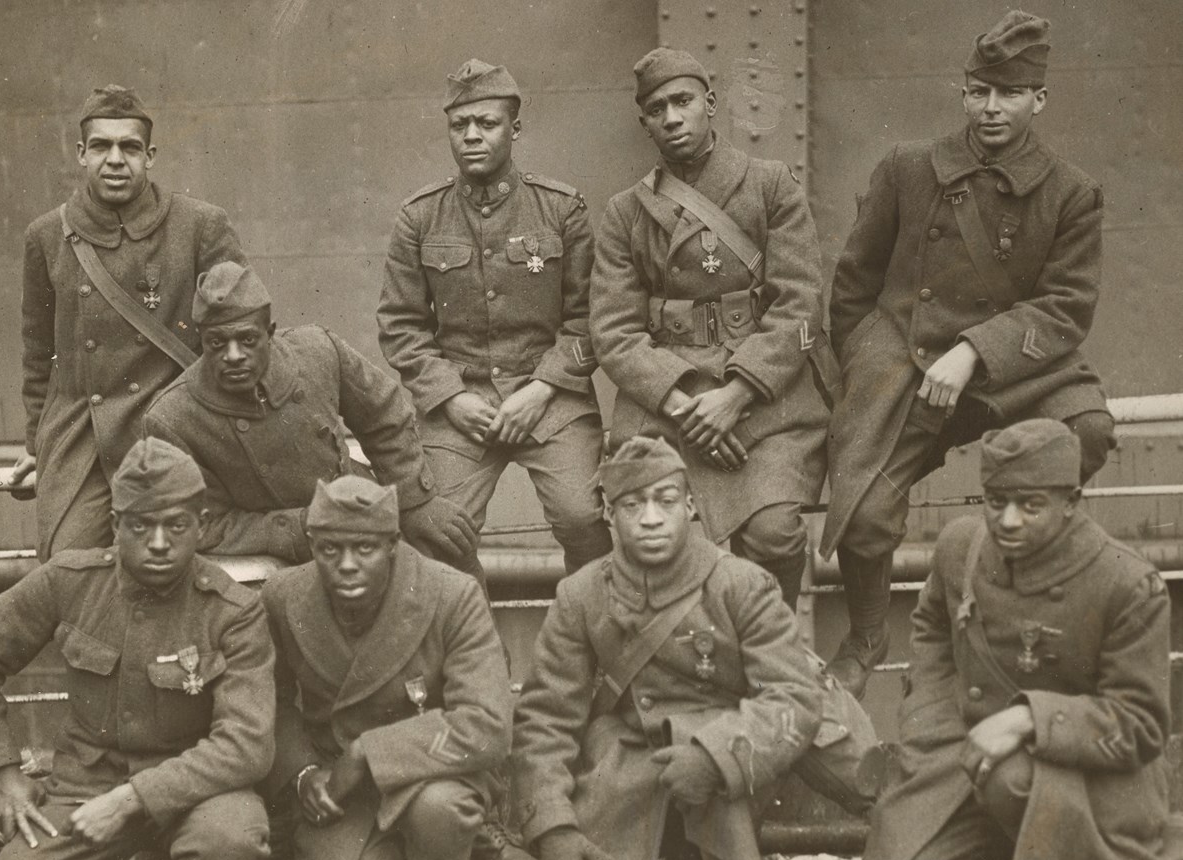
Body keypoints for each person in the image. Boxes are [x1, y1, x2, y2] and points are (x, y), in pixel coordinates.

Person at [821, 10, 1114, 697]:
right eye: (979, 92)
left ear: (1038, 99)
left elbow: (1066, 307)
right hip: (907, 361)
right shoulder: (907, 168)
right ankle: (866, 633)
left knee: (1088, 431)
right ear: (963, 93)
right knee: (863, 515)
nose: (990, 109)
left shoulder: (1070, 193)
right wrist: (869, 367)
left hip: (1015, 367)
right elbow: (853, 284)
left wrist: (973, 352)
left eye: (1008, 94)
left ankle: (1011, 588)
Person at [0, 437, 276, 860]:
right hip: (84, 785)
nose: (160, 544)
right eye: (141, 527)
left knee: (233, 838)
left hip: (192, 792)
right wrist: (2, 771)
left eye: (176, 525)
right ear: (116, 525)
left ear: (202, 524)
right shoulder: (71, 581)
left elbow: (246, 746)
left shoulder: (232, 610)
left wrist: (131, 800)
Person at [511, 436, 864, 860]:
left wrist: (716, 756)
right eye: (633, 505)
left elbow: (792, 695)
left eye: (666, 501)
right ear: (609, 513)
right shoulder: (581, 595)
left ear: (691, 506)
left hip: (741, 734)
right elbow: (545, 717)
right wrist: (552, 828)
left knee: (712, 745)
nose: (651, 519)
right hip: (637, 744)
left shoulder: (740, 583)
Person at [858, 419, 1183, 860]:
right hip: (970, 750)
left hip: (1090, 778)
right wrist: (928, 718)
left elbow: (1142, 726)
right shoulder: (962, 545)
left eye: (1030, 506)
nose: (1008, 520)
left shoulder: (1127, 585)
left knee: (1011, 776)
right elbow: (933, 624)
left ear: (1071, 502)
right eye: (996, 501)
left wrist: (1029, 721)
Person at [589, 48, 833, 611]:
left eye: (683, 101)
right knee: (655, 540)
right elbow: (613, 331)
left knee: (773, 534)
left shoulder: (770, 186)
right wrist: (688, 404)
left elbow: (799, 304)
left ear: (709, 104)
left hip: (766, 397)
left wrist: (737, 394)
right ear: (644, 122)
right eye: (657, 109)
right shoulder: (626, 212)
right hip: (667, 403)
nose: (672, 117)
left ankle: (773, 648)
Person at [260, 476, 512, 860]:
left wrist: (369, 752)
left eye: (366, 548)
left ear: (394, 545)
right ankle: (429, 856)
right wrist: (302, 772)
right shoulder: (284, 596)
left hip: (433, 769)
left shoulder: (450, 594)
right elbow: (269, 703)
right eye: (330, 549)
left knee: (439, 809)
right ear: (312, 546)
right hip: (338, 784)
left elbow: (487, 725)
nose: (347, 565)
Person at [377, 58, 612, 579]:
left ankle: (595, 643)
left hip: (551, 398)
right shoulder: (419, 216)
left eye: (487, 123)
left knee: (583, 517)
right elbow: (401, 325)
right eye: (460, 126)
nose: (472, 137)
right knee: (437, 530)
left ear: (515, 128)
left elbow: (590, 318)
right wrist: (451, 397)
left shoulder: (561, 210)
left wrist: (542, 389)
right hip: (461, 400)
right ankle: (473, 652)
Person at [10, 84, 248, 560]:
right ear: (81, 153)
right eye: (101, 146)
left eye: (129, 147)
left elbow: (244, 333)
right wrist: (38, 444)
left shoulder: (200, 225)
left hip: (174, 433)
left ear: (150, 155)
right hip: (81, 440)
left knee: (172, 563)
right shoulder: (46, 235)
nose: (115, 159)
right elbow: (39, 355)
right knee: (67, 571)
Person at [144, 261, 478, 571]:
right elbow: (204, 524)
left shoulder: (317, 350)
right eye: (217, 342)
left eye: (247, 339)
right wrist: (303, 525)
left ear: (270, 332)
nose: (233, 356)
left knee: (449, 555)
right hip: (278, 549)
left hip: (359, 507)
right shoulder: (172, 418)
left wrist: (414, 501)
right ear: (200, 340)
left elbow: (385, 416)